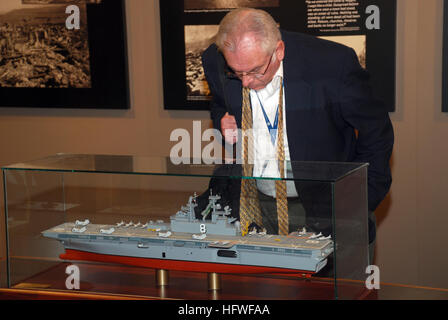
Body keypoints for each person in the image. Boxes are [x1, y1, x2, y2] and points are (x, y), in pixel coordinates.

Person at [201, 8, 394, 265]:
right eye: (237, 73)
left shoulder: (332, 64)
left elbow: (376, 131)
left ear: (278, 51)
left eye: (256, 71)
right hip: (255, 203)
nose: (245, 82)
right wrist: (222, 119)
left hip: (325, 205)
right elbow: (220, 102)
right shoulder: (215, 60)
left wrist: (361, 199)